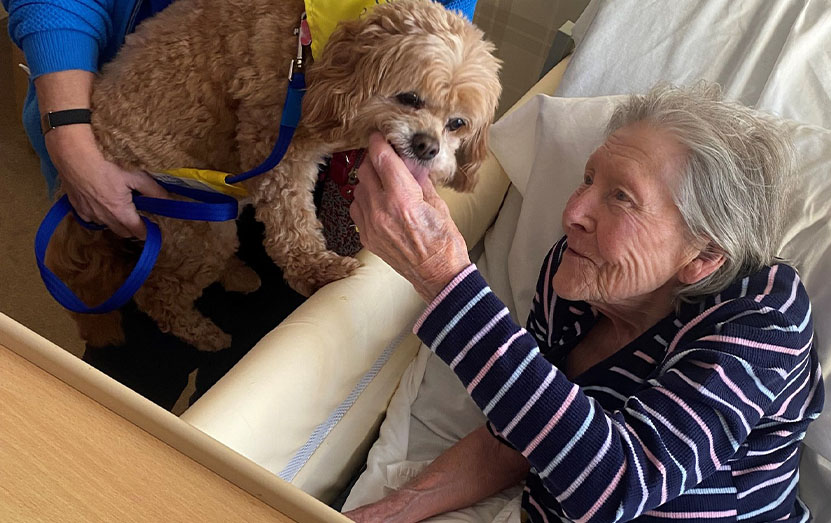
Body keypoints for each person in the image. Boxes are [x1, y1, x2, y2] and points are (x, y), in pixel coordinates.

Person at [345, 83, 825, 522]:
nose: (573, 213)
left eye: (620, 197)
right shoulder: (576, 275)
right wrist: (384, 514)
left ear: (703, 255)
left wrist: (443, 278)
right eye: (588, 179)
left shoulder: (762, 321)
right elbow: (523, 434)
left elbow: (615, 484)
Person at [4, 0, 479, 409]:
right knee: (134, 374)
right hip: (152, 160)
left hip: (282, 163)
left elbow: (440, 40)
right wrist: (70, 139)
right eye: (413, 100)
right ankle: (168, 304)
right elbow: (275, 153)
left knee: (251, 376)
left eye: (454, 123)